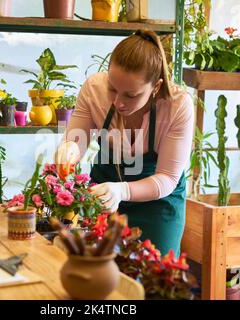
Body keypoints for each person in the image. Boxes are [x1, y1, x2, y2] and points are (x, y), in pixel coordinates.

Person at [54, 29, 194, 256]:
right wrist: (69, 148)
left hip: (158, 203)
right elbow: (76, 139)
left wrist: (122, 191)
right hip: (103, 194)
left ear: (156, 87)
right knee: (99, 272)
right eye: (112, 88)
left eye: (131, 95)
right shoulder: (94, 90)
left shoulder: (177, 106)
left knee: (156, 277)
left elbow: (167, 177)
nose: (118, 102)